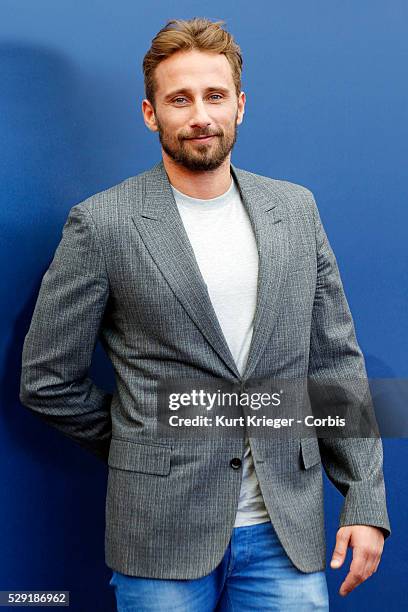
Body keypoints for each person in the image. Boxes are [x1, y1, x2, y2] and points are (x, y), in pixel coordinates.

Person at [19, 17, 391, 611]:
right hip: (159, 537)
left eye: (215, 96)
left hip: (285, 535)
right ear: (150, 113)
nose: (200, 115)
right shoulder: (101, 224)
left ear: (239, 105)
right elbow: (46, 381)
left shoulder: (296, 212)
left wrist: (365, 500)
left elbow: (334, 366)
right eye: (179, 99)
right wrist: (142, 441)